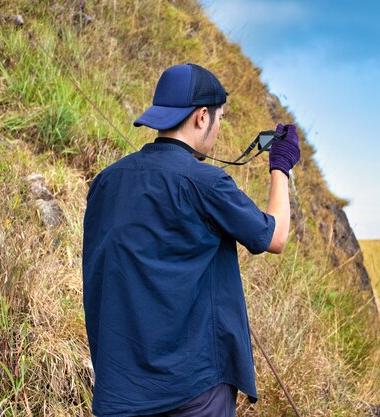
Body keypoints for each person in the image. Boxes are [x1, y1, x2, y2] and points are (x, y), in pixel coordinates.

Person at [82, 63, 300, 417]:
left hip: (120, 389)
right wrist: (281, 166)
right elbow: (274, 236)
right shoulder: (206, 182)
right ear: (202, 117)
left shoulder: (106, 182)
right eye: (220, 118)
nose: (218, 126)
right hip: (194, 387)